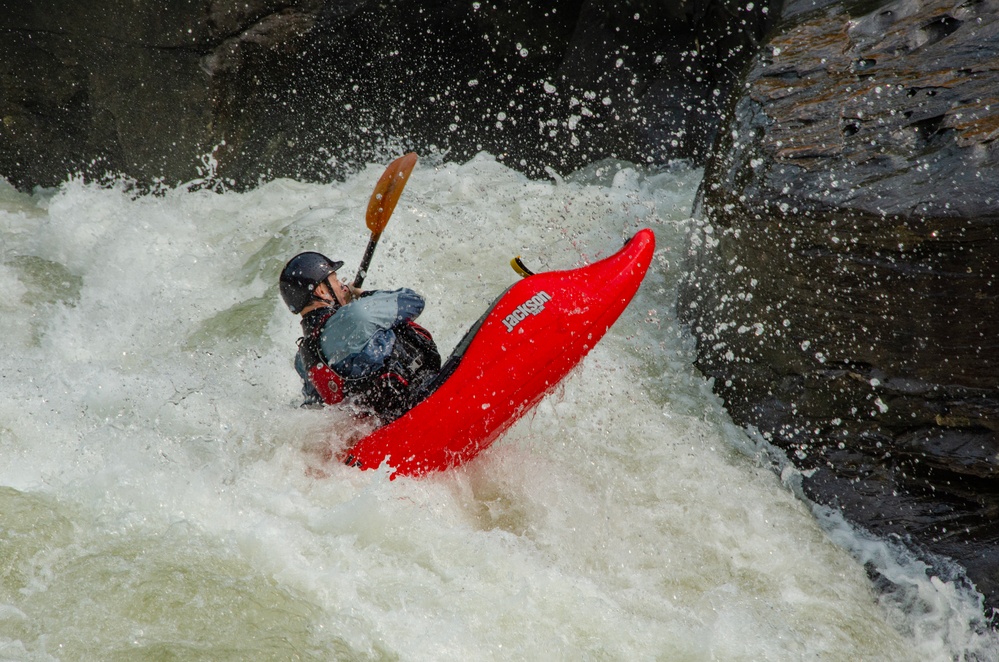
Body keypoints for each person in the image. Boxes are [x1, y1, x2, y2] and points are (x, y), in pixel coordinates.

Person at [279, 251, 441, 422]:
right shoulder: (357, 315)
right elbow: (414, 301)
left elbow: (316, 408)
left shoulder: (303, 359)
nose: (342, 286)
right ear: (321, 290)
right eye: (335, 280)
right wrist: (360, 294)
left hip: (383, 425)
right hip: (423, 399)